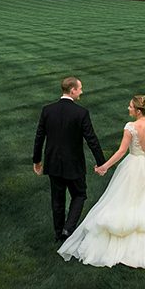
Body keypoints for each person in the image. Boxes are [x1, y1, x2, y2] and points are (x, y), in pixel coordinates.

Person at [58, 94, 145, 268]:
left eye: (130, 106)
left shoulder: (130, 127)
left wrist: (105, 166)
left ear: (138, 110)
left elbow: (121, 152)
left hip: (133, 166)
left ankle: (126, 245)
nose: (128, 108)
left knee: (127, 201)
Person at [33, 76, 106, 243]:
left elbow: (39, 137)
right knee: (79, 195)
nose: (82, 91)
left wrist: (37, 160)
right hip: (74, 164)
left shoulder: (47, 110)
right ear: (72, 90)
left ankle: (59, 234)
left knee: (57, 200)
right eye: (80, 88)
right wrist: (101, 162)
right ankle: (68, 228)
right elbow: (91, 139)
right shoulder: (81, 113)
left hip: (53, 164)